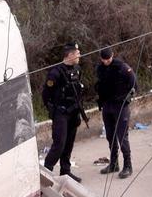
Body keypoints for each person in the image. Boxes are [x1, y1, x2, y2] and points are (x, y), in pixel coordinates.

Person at [41, 43, 86, 182]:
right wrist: (53, 110)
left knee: (69, 143)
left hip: (73, 111)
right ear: (70, 55)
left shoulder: (77, 69)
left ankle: (65, 171)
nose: (79, 55)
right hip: (61, 113)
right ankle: (46, 171)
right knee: (59, 144)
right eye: (77, 53)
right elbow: (45, 95)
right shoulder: (55, 73)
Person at [94, 47, 137, 178]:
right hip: (107, 105)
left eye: (108, 59)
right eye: (104, 59)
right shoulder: (100, 68)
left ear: (112, 56)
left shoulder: (122, 67)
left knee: (122, 136)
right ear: (101, 58)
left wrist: (127, 99)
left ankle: (128, 165)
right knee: (110, 136)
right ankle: (113, 163)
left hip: (120, 106)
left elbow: (134, 84)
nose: (106, 62)